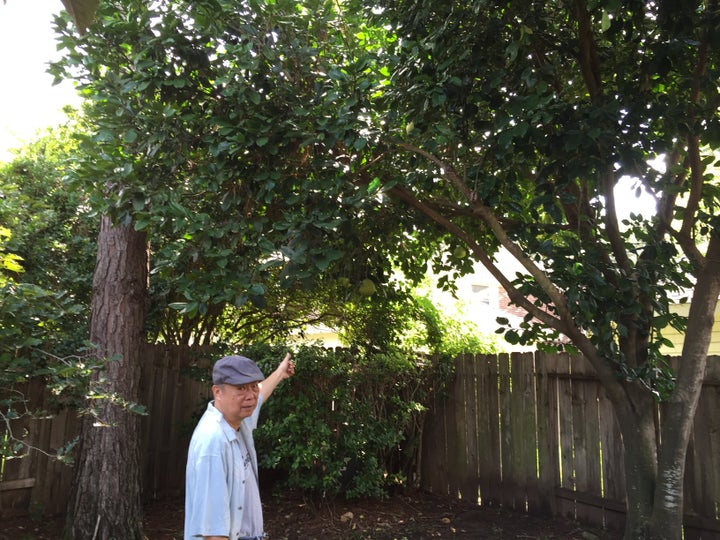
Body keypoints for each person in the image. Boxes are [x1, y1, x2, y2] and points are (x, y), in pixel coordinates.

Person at [184, 352, 295, 540]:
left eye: (253, 387)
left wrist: (279, 372)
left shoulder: (236, 419)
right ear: (218, 392)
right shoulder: (213, 443)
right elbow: (213, 533)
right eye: (241, 388)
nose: (251, 396)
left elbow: (259, 396)